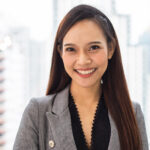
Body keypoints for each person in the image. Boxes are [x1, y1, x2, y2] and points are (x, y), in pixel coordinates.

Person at [13, 4, 149, 150]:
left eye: (94, 47)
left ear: (111, 49)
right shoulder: (37, 112)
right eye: (71, 49)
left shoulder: (132, 112)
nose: (83, 60)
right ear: (60, 52)